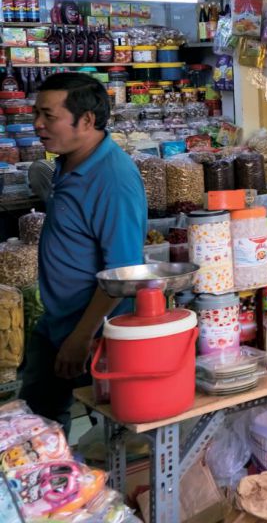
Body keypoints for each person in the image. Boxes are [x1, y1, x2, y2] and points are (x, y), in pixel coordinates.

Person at [20, 73, 146, 429]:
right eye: (36, 114)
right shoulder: (67, 161)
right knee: (35, 429)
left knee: (113, 431)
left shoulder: (113, 179)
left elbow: (123, 273)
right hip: (58, 323)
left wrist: (81, 337)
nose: (38, 124)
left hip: (94, 334)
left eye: (48, 116)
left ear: (87, 120)